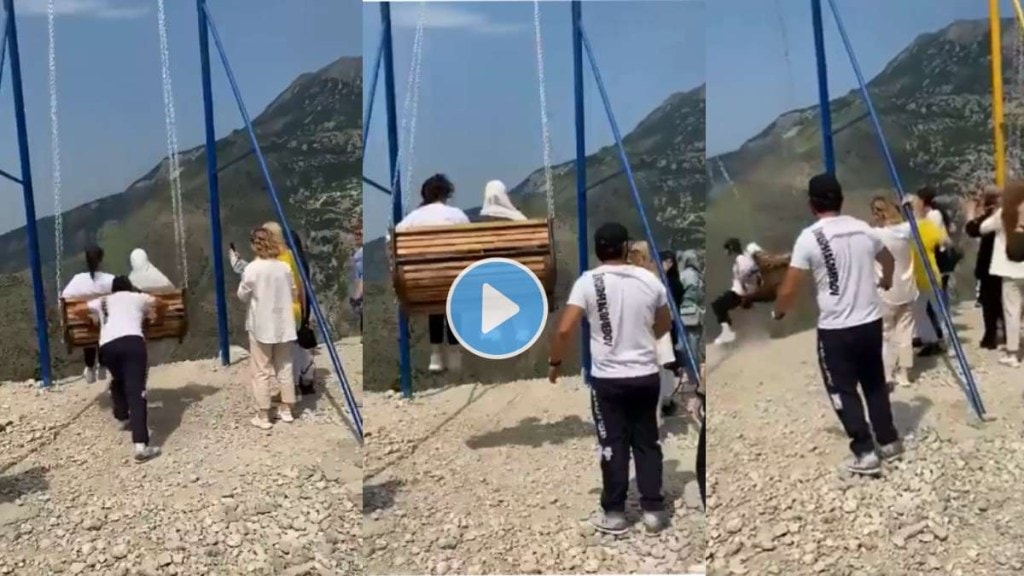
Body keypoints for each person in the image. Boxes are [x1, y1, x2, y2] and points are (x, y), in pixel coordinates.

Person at [548, 222, 672, 534]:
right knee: (647, 441)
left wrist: (555, 363)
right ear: (626, 247)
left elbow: (564, 330)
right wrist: (642, 337)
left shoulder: (588, 282)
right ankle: (653, 510)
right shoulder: (649, 280)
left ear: (597, 249)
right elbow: (664, 325)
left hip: (608, 380)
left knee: (612, 443)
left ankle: (615, 513)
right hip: (645, 375)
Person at [773, 173, 900, 475]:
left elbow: (789, 288)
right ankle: (889, 441)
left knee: (842, 389)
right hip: (870, 321)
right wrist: (886, 280)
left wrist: (778, 313)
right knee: (874, 383)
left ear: (811, 204)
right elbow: (889, 259)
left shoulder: (809, 238)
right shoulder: (863, 229)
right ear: (841, 200)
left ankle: (865, 452)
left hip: (836, 329)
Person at [395, 174, 471, 373]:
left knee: (434, 294)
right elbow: (470, 243)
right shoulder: (457, 215)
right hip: (454, 279)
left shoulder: (413, 218)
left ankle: (436, 353)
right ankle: (454, 350)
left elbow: (391, 240)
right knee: (452, 295)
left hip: (421, 280)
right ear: (447, 193)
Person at [85, 276, 162, 462]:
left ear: (113, 289)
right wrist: (150, 312)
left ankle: (122, 415)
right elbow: (160, 301)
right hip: (133, 344)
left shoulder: (103, 300)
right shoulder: (137, 297)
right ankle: (141, 446)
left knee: (119, 377)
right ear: (129, 288)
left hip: (108, 348)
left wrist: (93, 318)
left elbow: (80, 308)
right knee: (136, 392)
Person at [238, 227, 299, 429]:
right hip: (284, 324)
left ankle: (263, 414)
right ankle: (287, 409)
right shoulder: (284, 267)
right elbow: (293, 292)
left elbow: (242, 295)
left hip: (261, 325)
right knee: (285, 367)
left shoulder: (252, 269)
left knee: (261, 370)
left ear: (253, 245)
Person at [869, 196, 918, 388]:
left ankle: (887, 374)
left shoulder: (875, 235)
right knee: (906, 334)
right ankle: (904, 373)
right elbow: (916, 218)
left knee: (886, 335)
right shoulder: (907, 230)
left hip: (885, 291)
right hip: (907, 289)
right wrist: (909, 206)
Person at [979, 181, 1024, 367]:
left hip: (1010, 271)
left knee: (1012, 312)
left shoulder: (1004, 213)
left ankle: (1013, 354)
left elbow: (983, 228)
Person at [902, 194, 949, 357]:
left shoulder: (907, 228)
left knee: (923, 312)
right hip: (925, 274)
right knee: (929, 311)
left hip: (919, 276)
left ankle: (935, 340)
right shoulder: (926, 225)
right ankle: (937, 341)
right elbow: (944, 241)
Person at [62, 244, 115, 384]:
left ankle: (90, 367)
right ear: (101, 259)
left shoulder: (77, 280)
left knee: (88, 328)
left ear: (86, 261)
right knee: (102, 324)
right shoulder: (110, 280)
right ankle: (103, 364)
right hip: (106, 328)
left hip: (82, 330)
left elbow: (64, 298)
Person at [965, 186, 1004, 349]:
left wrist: (970, 212)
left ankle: (990, 336)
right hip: (1005, 264)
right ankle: (1007, 332)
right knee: (1003, 300)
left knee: (989, 302)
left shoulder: (992, 218)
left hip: (989, 265)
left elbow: (973, 230)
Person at [711, 237, 759, 345]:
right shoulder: (741, 259)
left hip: (739, 293)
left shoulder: (741, 260)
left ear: (731, 248)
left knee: (718, 305)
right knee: (719, 305)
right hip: (739, 291)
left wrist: (746, 295)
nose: (725, 252)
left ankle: (727, 333)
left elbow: (747, 275)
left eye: (726, 249)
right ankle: (727, 331)